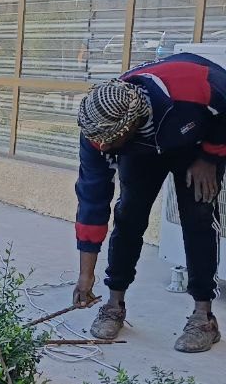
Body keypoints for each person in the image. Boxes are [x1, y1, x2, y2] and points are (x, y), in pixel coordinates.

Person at [74, 52, 226, 353]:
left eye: (107, 142)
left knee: (197, 215)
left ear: (129, 126)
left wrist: (211, 155)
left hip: (194, 136)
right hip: (142, 148)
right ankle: (114, 303)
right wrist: (85, 274)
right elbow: (93, 200)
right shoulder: (98, 131)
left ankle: (203, 317)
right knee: (128, 214)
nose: (101, 148)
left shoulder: (193, 88)